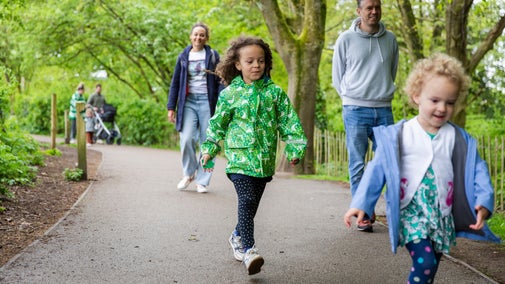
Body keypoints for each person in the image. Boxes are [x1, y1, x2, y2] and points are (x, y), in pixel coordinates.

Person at [343, 53, 501, 283]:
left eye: (450, 102)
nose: (441, 108)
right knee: (425, 263)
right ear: (416, 96)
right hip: (412, 212)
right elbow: (376, 168)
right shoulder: (400, 134)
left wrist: (483, 200)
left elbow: (478, 168)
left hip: (441, 214)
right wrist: (361, 203)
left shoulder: (458, 137)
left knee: (430, 267)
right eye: (435, 100)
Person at [200, 36, 307, 275]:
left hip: (264, 162)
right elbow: (217, 125)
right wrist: (209, 149)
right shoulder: (230, 94)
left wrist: (294, 148)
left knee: (252, 205)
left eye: (260, 61)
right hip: (239, 160)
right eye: (250, 61)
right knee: (247, 200)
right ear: (238, 65)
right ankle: (249, 250)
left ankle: (237, 235)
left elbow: (290, 123)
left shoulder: (275, 94)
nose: (256, 65)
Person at [332, 0, 399, 232]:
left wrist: (382, 95)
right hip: (355, 109)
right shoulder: (345, 39)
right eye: (369, 7)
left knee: (387, 161)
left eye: (377, 7)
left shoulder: (390, 39)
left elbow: (392, 71)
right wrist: (351, 99)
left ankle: (387, 210)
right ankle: (363, 213)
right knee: (357, 163)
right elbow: (337, 77)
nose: (374, 11)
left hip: (384, 109)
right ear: (358, 11)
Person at [167, 22, 222, 193]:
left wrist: (221, 101)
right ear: (191, 36)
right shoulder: (183, 57)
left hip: (207, 102)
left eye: (202, 35)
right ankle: (189, 173)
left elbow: (221, 79)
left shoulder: (213, 55)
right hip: (188, 103)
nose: (198, 37)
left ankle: (203, 180)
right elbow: (175, 83)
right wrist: (171, 107)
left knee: (209, 141)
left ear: (206, 38)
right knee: (187, 138)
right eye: (196, 34)